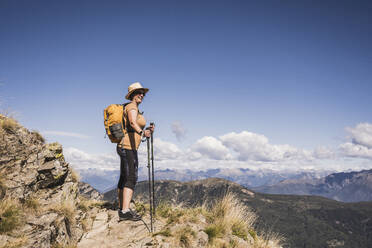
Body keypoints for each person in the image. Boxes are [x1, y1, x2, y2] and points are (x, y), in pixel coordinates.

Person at [117, 82, 154, 221]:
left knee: (124, 177)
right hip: (128, 146)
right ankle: (125, 211)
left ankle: (122, 207)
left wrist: (146, 131)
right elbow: (132, 123)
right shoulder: (132, 106)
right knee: (131, 177)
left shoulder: (133, 107)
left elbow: (134, 124)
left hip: (126, 146)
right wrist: (143, 133)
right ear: (132, 95)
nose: (142, 95)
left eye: (143, 93)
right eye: (139, 93)